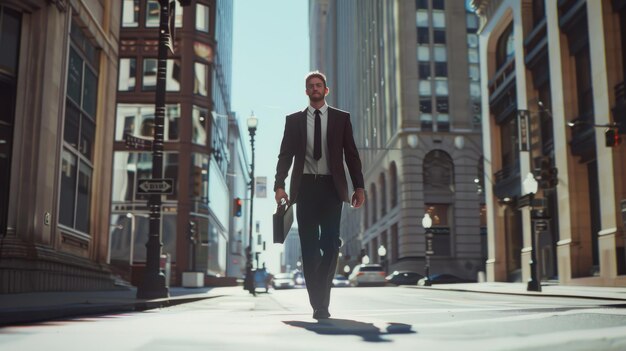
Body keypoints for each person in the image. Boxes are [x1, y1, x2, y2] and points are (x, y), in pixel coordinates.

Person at [274, 71, 365, 320]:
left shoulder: (341, 119)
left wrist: (359, 186)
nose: (314, 88)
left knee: (331, 243)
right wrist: (278, 185)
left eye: (318, 85)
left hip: (331, 188)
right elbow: (285, 156)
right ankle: (319, 304)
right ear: (306, 92)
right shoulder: (294, 121)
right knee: (310, 248)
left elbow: (352, 154)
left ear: (326, 90)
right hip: (304, 188)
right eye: (310, 86)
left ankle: (321, 296)